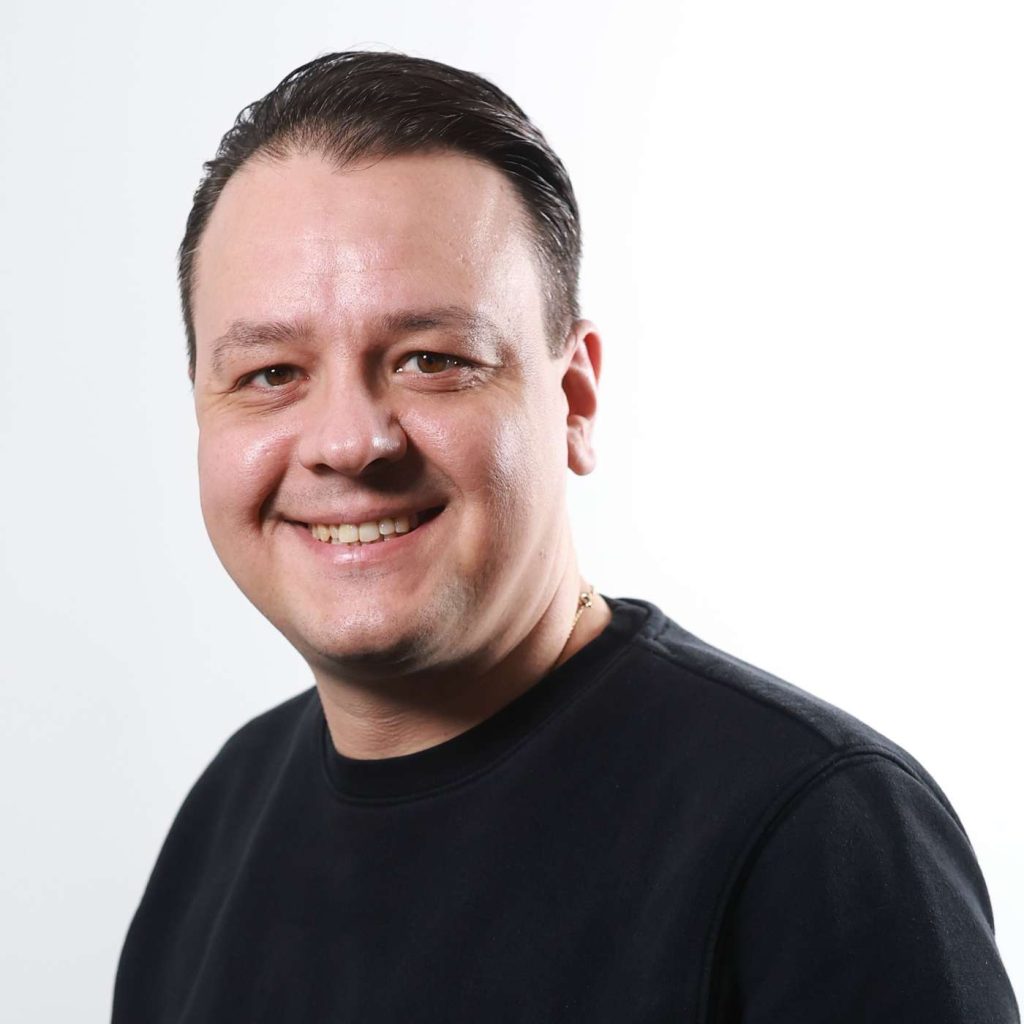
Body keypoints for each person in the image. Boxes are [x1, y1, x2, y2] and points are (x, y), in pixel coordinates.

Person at [113, 51, 1019, 1022]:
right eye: (270, 374)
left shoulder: (813, 830)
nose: (349, 442)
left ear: (574, 398)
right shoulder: (225, 818)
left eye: (431, 359)